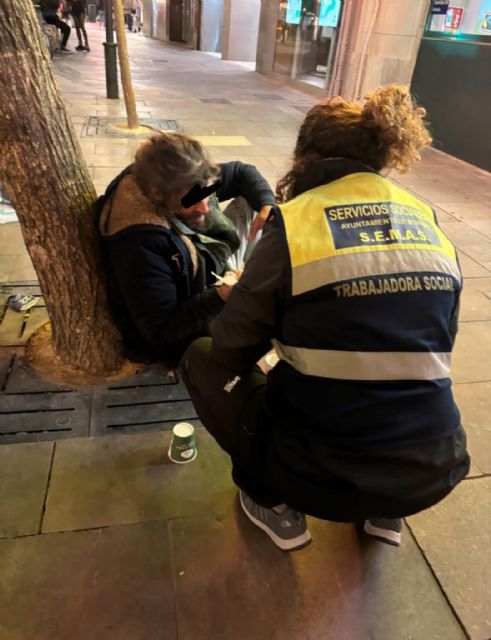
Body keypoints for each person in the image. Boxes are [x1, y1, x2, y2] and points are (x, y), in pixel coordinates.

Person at [180, 84, 470, 552]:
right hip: (432, 466)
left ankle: (272, 504)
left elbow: (231, 347)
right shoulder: (425, 218)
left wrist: (254, 279)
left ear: (304, 158)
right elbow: (433, 336)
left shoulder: (295, 224)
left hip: (316, 475)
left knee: (201, 357)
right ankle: (386, 513)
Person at [96, 132, 275, 366]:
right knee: (264, 320)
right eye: (192, 200)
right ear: (157, 195)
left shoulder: (187, 180)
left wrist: (267, 204)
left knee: (251, 204)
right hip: (186, 314)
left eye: (206, 193)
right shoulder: (139, 244)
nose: (205, 208)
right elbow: (161, 330)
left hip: (202, 256)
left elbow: (242, 172)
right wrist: (221, 295)